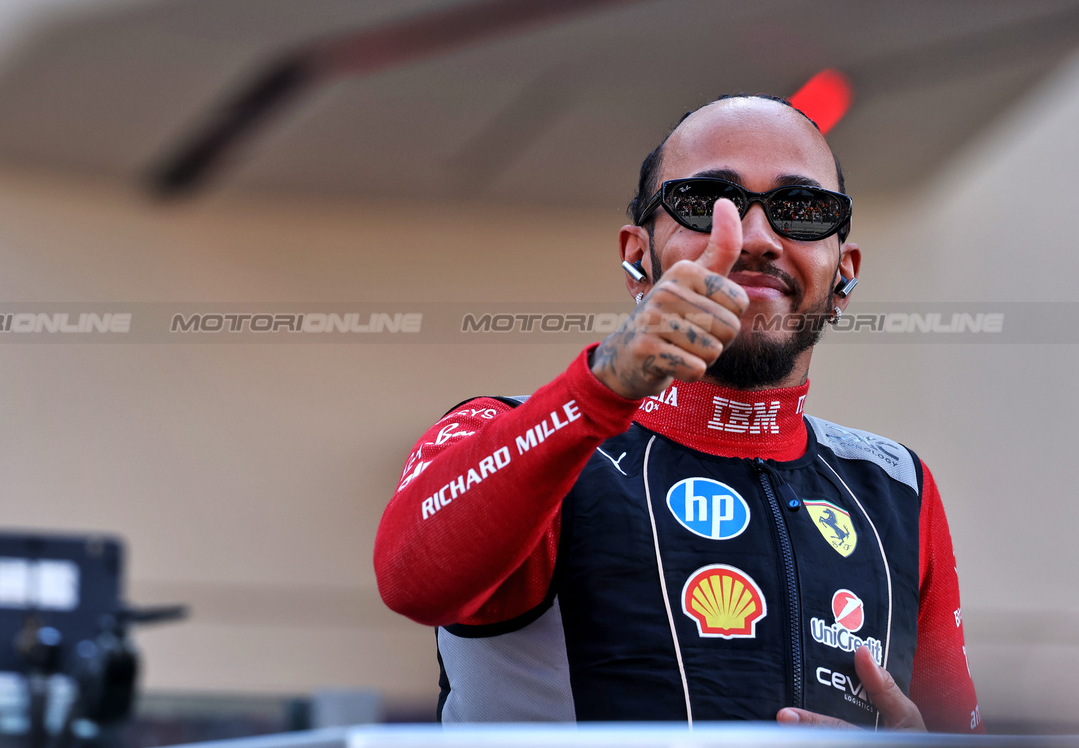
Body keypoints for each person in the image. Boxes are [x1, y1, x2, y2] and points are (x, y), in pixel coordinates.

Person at [373, 94, 983, 733]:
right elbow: (412, 582)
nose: (753, 238)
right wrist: (602, 387)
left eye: (801, 211)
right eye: (705, 203)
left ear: (844, 276)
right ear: (638, 256)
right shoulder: (514, 433)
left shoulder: (896, 487)